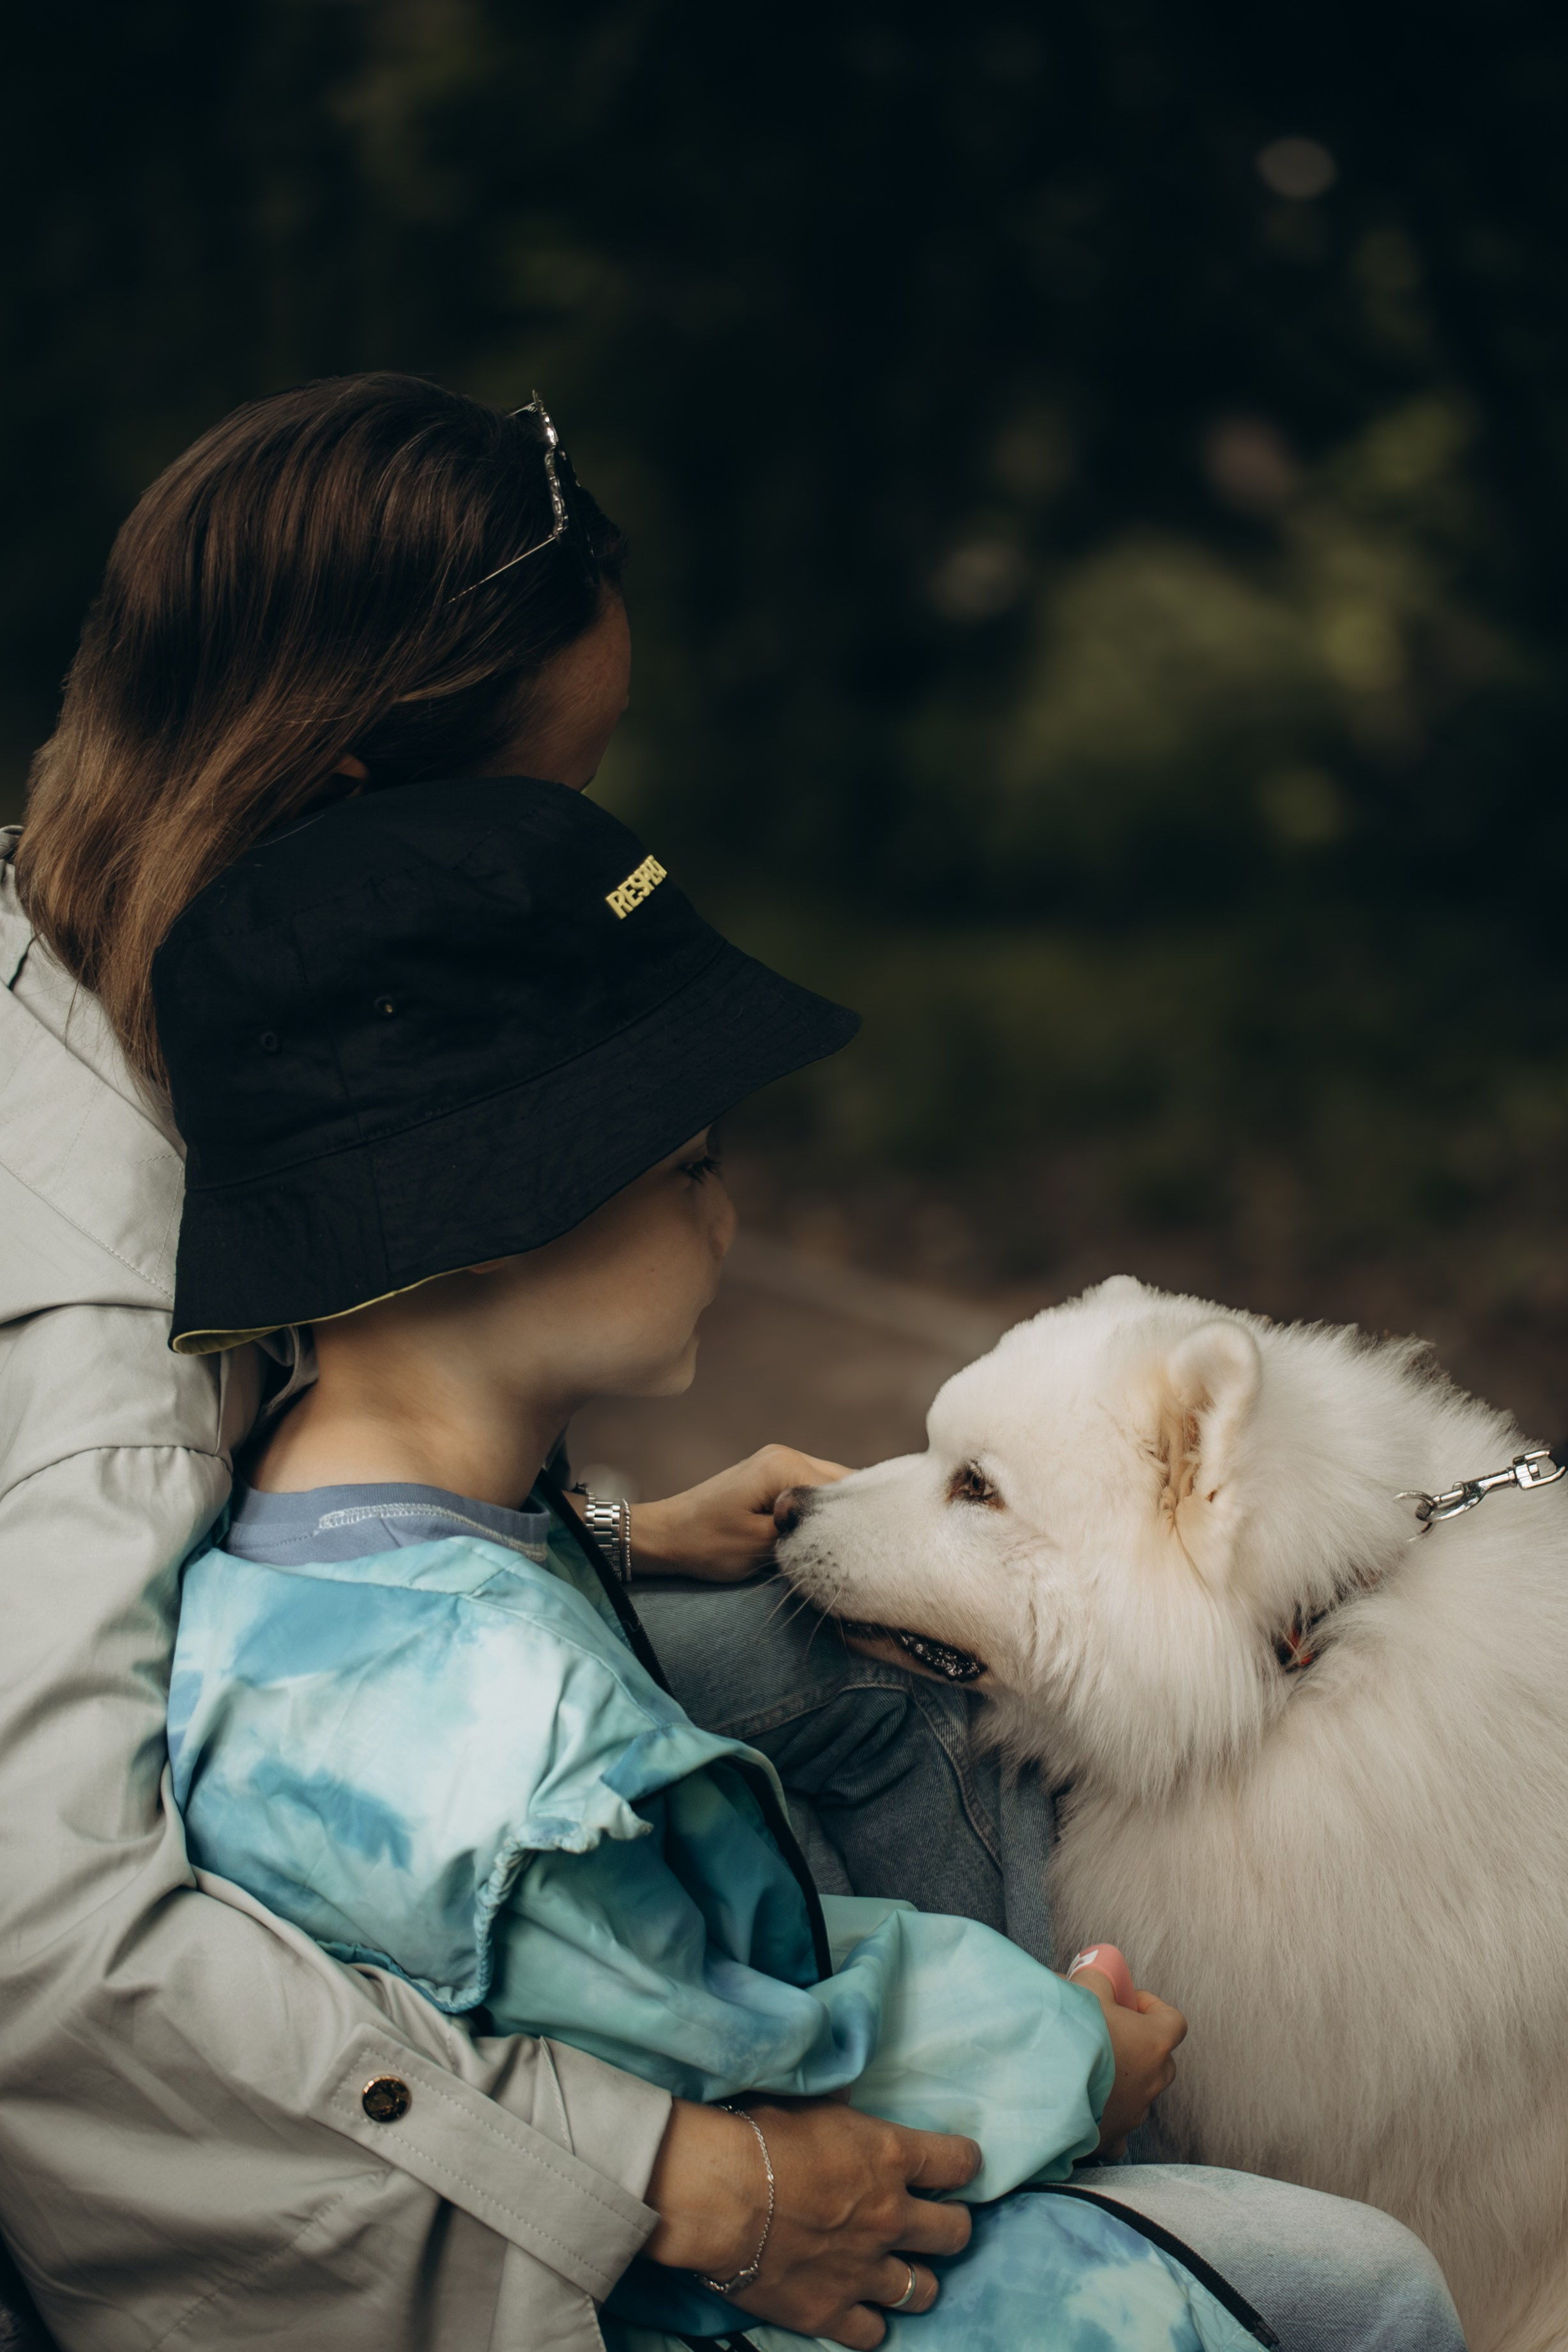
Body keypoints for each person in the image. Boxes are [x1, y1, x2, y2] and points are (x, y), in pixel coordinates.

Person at [0, 373, 1462, 2351]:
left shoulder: (214, 1011)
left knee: (847, 1644)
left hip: (350, 1796)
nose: (575, 854)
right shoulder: (75, 1276)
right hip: (295, 2184)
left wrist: (590, 1539)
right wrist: (673, 2173)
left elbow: (324, 1525)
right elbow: (58, 1950)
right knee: (1351, 2289)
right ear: (347, 802)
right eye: (552, 800)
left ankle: (1055, 2095)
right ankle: (1028, 2147)